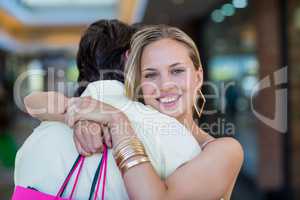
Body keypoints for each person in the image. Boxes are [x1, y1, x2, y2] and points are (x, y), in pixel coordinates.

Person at [15, 20, 201, 199]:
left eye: (177, 71)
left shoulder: (36, 139)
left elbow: (31, 103)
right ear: (131, 58)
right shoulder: (175, 138)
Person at [65, 25, 244, 199]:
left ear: (198, 77)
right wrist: (86, 119)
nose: (165, 85)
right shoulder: (134, 129)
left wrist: (117, 121)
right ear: (139, 84)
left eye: (177, 71)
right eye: (151, 75)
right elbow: (39, 103)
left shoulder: (226, 150)